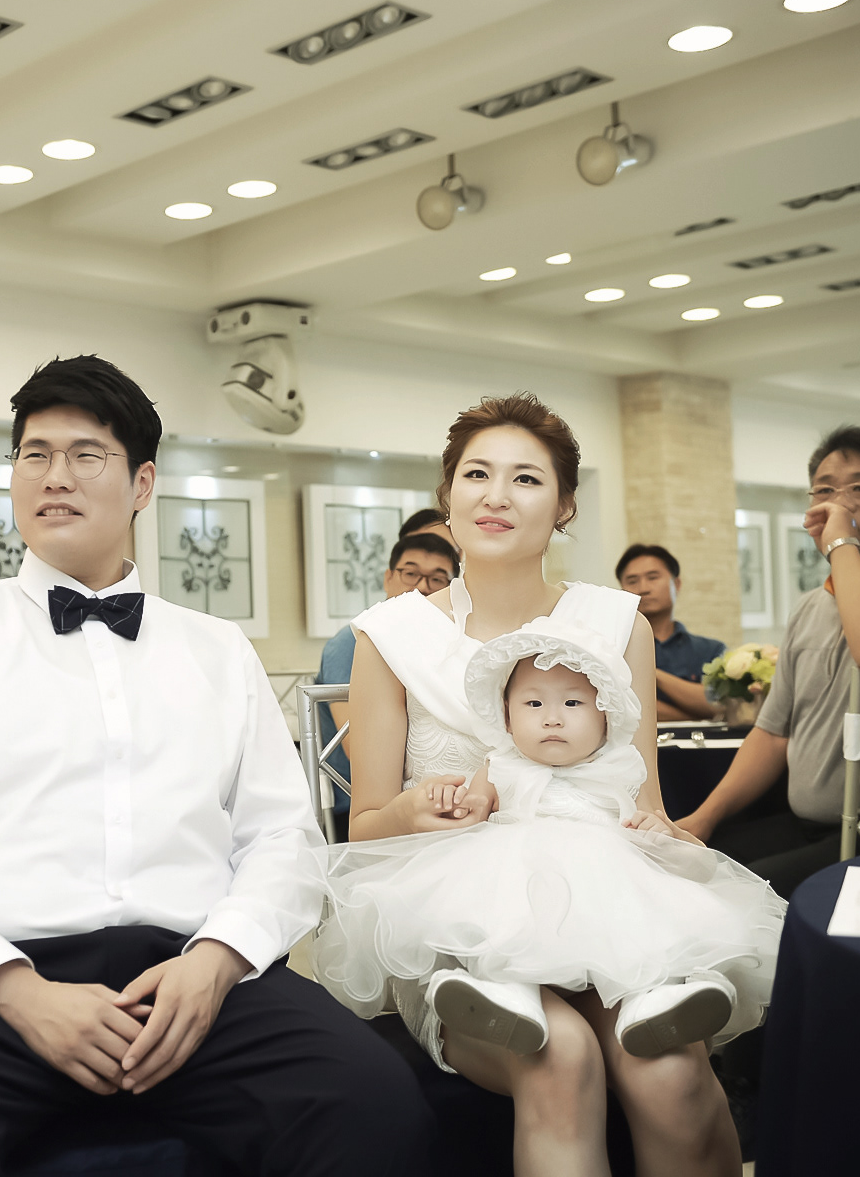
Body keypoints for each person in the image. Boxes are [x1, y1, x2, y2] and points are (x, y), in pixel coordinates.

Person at [0, 356, 433, 1177]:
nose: (55, 476)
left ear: (143, 483)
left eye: (86, 455)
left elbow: (282, 839)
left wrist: (215, 963)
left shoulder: (218, 651)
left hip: (197, 974)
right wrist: (15, 986)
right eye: (34, 454)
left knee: (375, 1102)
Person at [326, 393, 742, 1176]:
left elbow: (641, 800)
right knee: (561, 1057)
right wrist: (413, 809)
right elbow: (365, 826)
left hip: (602, 902)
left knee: (672, 1076)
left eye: (526, 478)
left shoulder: (615, 624)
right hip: (458, 927)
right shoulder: (390, 635)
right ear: (448, 494)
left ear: (564, 505)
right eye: (476, 474)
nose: (497, 496)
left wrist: (667, 845)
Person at [314, 617, 783, 1068]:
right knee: (505, 922)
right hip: (519, 867)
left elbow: (640, 815)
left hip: (607, 873)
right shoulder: (500, 764)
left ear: (606, 716)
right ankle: (508, 996)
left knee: (640, 930)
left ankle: (652, 1004)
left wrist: (655, 831)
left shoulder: (619, 766)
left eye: (573, 704)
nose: (552, 719)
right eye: (533, 704)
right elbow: (473, 807)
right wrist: (449, 800)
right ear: (507, 718)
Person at [674, 426, 860, 898]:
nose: (839, 504)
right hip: (807, 825)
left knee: (737, 894)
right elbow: (772, 734)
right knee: (682, 871)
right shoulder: (809, 607)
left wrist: (842, 546)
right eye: (824, 491)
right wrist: (703, 819)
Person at [315, 533, 462, 836]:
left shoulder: (450, 643)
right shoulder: (354, 643)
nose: (422, 586)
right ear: (388, 577)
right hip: (358, 806)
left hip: (445, 801)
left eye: (437, 578)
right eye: (410, 573)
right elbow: (355, 748)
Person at [615, 544, 726, 722]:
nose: (643, 588)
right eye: (632, 581)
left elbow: (717, 704)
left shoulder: (710, 650)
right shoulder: (613, 647)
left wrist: (651, 672)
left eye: (653, 577)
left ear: (677, 584)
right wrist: (694, 716)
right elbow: (618, 706)